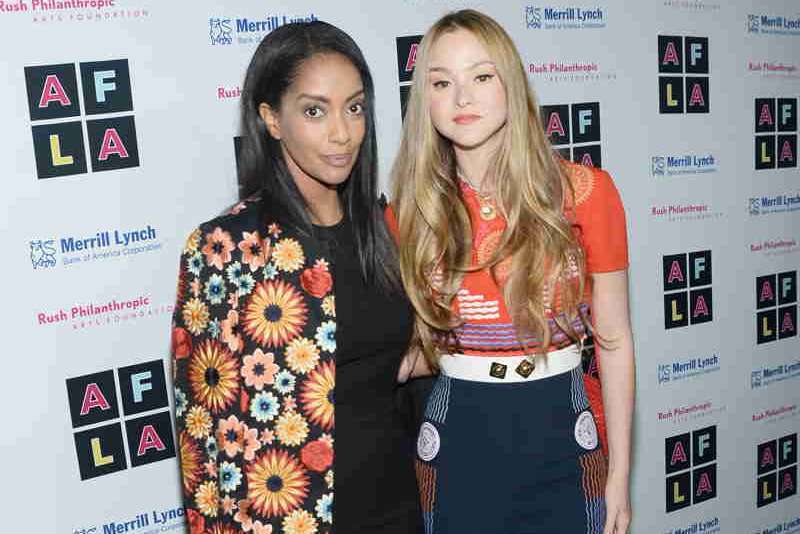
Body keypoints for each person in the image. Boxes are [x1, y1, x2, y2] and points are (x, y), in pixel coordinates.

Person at [171, 21, 422, 534]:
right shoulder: (226, 248)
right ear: (271, 119)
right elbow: (201, 431)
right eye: (314, 111)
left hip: (400, 504)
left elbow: (400, 361)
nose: (342, 132)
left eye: (354, 108)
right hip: (287, 518)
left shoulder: (386, 229)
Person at [390, 9, 635, 534]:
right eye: (441, 82)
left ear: (512, 85)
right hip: (457, 445)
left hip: (563, 438)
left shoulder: (587, 194)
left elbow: (614, 341)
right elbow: (402, 347)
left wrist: (620, 475)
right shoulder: (409, 213)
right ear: (423, 100)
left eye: (482, 77)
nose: (462, 98)